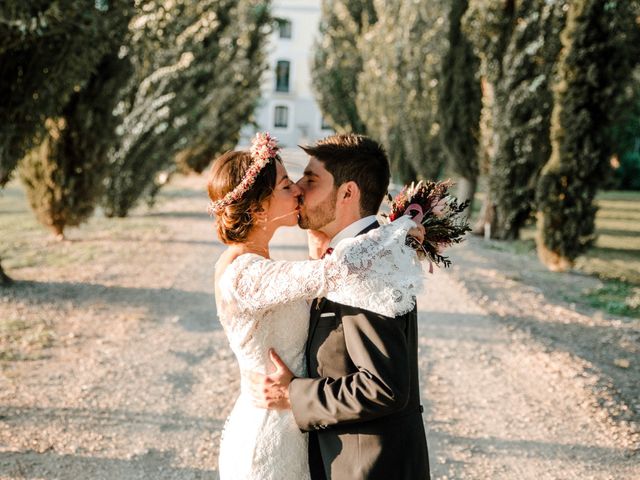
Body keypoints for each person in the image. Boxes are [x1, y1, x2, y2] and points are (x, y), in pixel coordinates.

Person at [210, 133, 423, 480]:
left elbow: (384, 387)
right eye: (288, 184)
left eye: (309, 180)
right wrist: (396, 231)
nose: (297, 189)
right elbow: (334, 272)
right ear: (258, 207)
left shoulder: (367, 271)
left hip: (339, 454)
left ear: (347, 193)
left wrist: (294, 392)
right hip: (270, 436)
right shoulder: (250, 273)